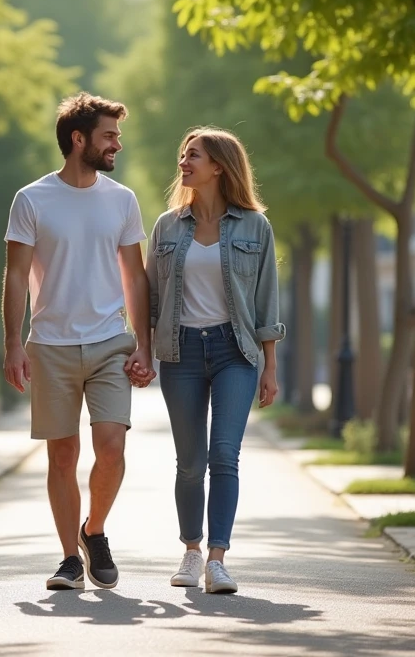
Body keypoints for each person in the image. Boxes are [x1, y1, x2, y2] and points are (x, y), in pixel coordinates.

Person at [3, 92, 156, 592]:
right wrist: (12, 344)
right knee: (63, 456)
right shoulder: (32, 199)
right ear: (78, 139)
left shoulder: (122, 200)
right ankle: (70, 557)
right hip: (50, 344)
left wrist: (143, 345)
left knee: (111, 447)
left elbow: (134, 278)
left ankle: (95, 531)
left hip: (111, 340)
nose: (117, 144)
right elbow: (15, 276)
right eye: (109, 135)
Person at [145, 127, 285, 594]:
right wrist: (143, 352)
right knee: (190, 461)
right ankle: (190, 551)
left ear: (219, 166)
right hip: (181, 352)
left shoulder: (254, 227)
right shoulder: (167, 226)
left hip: (235, 351)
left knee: (225, 454)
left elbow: (267, 303)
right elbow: (150, 298)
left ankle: (218, 559)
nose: (184, 162)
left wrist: (271, 366)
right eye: (183, 154)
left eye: (194, 156)